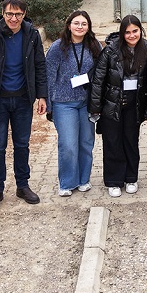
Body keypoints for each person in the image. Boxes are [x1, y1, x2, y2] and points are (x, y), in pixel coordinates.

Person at [0, 0, 48, 212]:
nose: (13, 18)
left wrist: (42, 95)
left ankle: (22, 186)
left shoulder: (32, 35)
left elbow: (40, 65)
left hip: (23, 100)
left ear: (24, 14)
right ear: (2, 13)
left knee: (22, 145)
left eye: (18, 14)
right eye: (9, 14)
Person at [89, 16, 147, 198]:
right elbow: (98, 80)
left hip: (134, 103)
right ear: (122, 33)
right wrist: (95, 107)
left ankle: (131, 178)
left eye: (135, 31)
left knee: (131, 141)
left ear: (140, 31)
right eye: (127, 32)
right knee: (112, 142)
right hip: (112, 103)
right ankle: (114, 180)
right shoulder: (110, 51)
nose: (132, 35)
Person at [46, 10, 102, 196]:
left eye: (84, 24)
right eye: (76, 23)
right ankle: (67, 183)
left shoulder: (94, 45)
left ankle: (84, 179)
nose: (80, 27)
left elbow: (100, 74)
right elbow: (49, 76)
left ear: (88, 27)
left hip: (87, 102)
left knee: (86, 143)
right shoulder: (57, 47)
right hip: (64, 103)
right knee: (69, 144)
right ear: (69, 25)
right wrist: (49, 105)